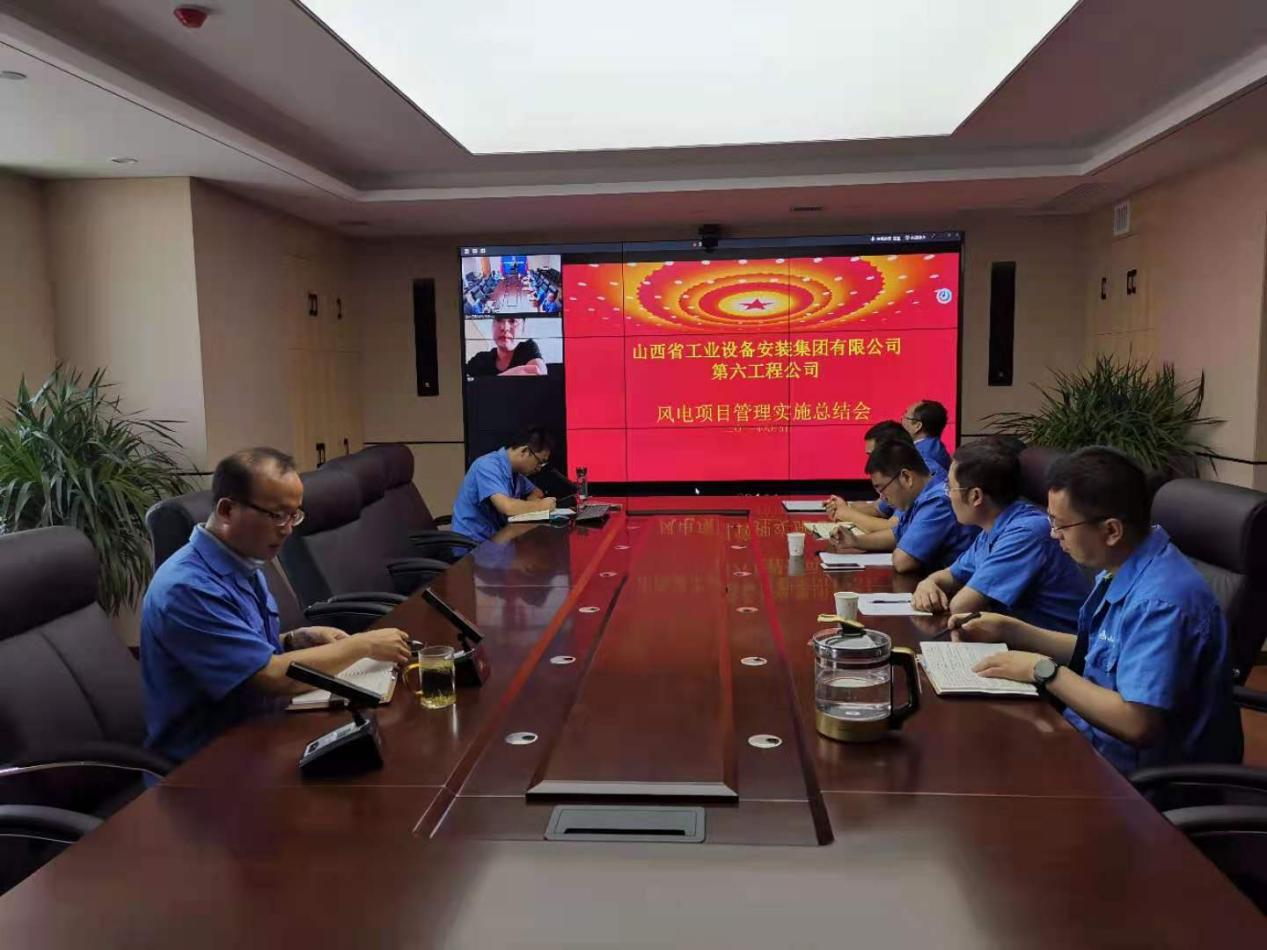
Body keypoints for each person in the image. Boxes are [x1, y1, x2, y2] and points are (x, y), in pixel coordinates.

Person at [949, 447, 1243, 773]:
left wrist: (1042, 670)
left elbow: (1136, 723)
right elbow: (1103, 651)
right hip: (1085, 738)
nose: (1053, 534)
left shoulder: (1161, 602)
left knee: (977, 761)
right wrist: (1013, 630)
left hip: (1133, 780)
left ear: (1111, 530)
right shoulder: (1124, 565)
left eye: (1061, 524)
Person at [141, 448, 412, 763]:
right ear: (227, 510)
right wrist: (363, 646)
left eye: (294, 515)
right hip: (208, 764)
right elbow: (268, 677)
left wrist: (292, 640)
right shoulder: (188, 588)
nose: (288, 528)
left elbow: (239, 649)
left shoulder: (242, 560)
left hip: (262, 731)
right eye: (277, 515)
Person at [912, 439, 1090, 629]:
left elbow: (961, 607)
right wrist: (927, 584)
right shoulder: (992, 527)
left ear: (975, 496)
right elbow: (951, 574)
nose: (947, 494)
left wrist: (936, 591)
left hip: (1057, 645)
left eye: (950, 487)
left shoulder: (1026, 533)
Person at [838, 439, 978, 572]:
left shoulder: (937, 502)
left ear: (906, 477)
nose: (882, 497)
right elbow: (896, 535)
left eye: (882, 488)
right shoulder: (920, 496)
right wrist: (855, 541)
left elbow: (903, 561)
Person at [824, 420, 940, 532]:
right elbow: (878, 509)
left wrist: (848, 514)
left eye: (872, 455)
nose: (870, 462)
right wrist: (843, 507)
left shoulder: (921, 473)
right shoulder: (897, 471)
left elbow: (894, 528)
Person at [450, 428, 558, 545]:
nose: (539, 468)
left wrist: (532, 500)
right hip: (472, 545)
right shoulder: (487, 466)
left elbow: (537, 492)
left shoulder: (515, 473)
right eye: (540, 462)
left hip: (497, 540)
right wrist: (540, 506)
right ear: (525, 451)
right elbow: (507, 507)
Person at [465, 314, 547, 377]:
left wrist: (487, 385)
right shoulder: (481, 358)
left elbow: (537, 372)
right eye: (498, 319)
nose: (504, 327)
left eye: (512, 321)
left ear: (523, 328)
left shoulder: (527, 348)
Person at [901, 399, 953, 472]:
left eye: (905, 418)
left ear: (917, 426)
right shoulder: (935, 447)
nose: (901, 421)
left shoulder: (918, 456)